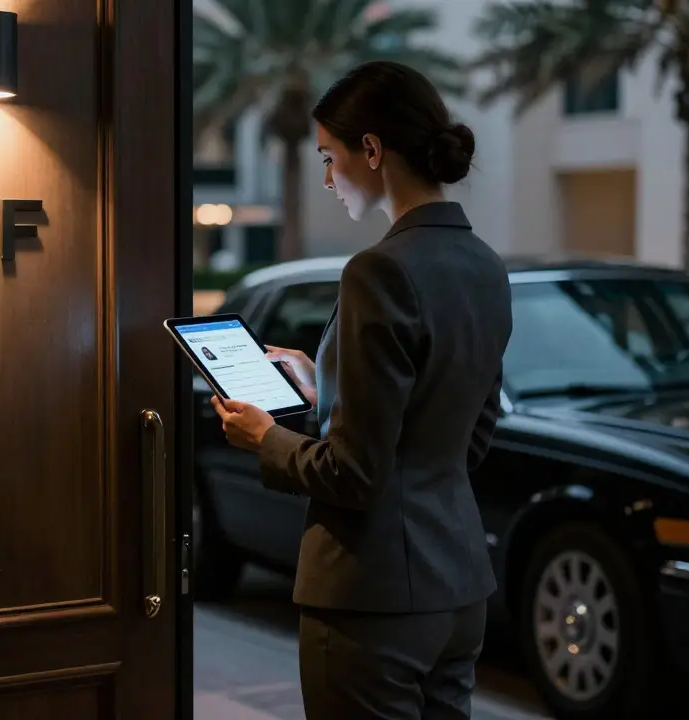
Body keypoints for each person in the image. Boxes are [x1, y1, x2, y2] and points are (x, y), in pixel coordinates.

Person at [211, 60, 513, 720]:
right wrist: (329, 396)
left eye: (329, 157)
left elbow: (353, 473)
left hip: (372, 596)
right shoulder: (486, 265)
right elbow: (468, 429)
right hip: (458, 590)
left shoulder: (377, 270)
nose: (326, 178)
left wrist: (267, 437)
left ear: (371, 150)